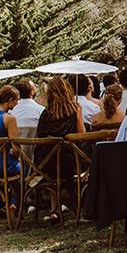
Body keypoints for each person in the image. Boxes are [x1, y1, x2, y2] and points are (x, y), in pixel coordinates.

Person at [35, 77, 86, 221]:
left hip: (46, 163)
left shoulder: (46, 113)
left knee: (52, 172)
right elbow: (81, 135)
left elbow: (41, 136)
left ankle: (54, 208)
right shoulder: (74, 109)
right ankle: (78, 203)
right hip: (69, 163)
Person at [0, 86, 22, 210]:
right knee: (21, 169)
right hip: (4, 166)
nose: (17, 103)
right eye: (16, 100)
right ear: (10, 100)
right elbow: (16, 148)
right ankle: (14, 202)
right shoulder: (9, 118)